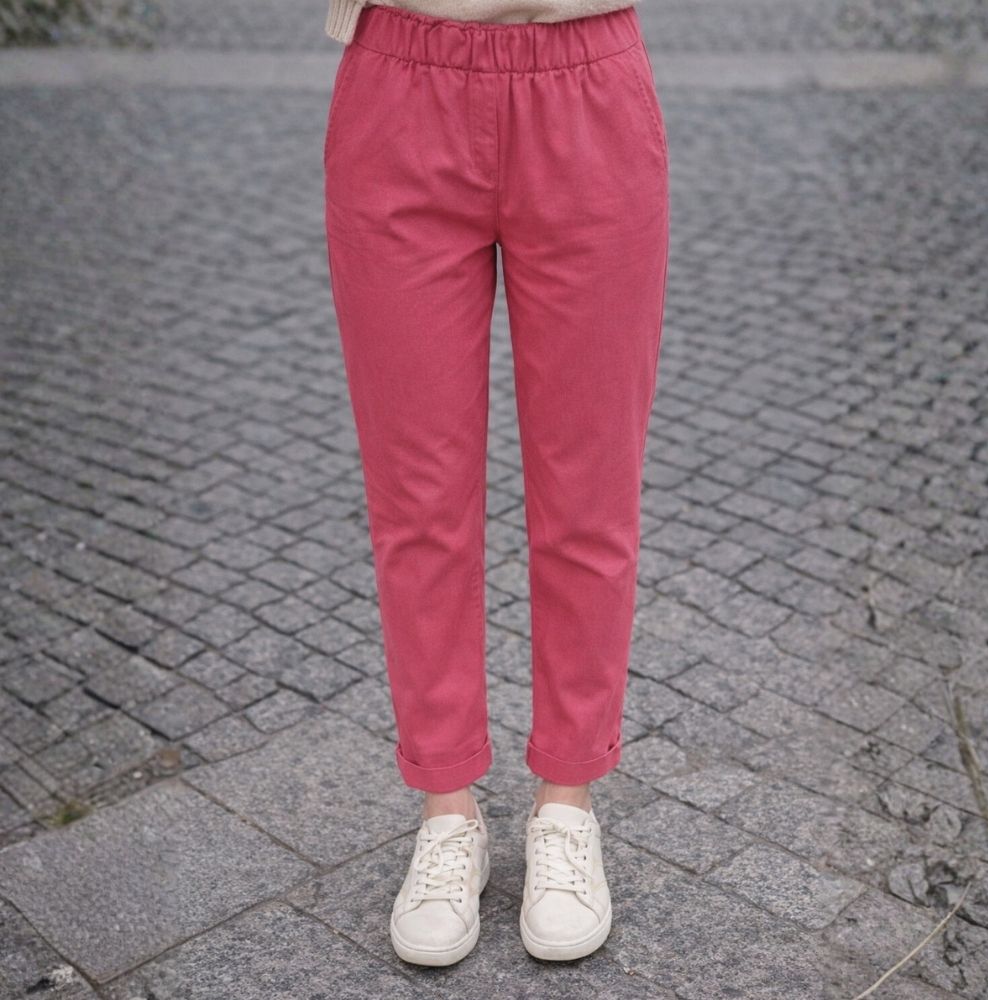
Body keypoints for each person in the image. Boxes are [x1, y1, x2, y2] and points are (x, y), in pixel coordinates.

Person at [323, 0, 668, 967]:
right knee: (416, 501)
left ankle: (568, 802)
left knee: (591, 498)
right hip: (398, 83)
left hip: (588, 84)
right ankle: (448, 810)